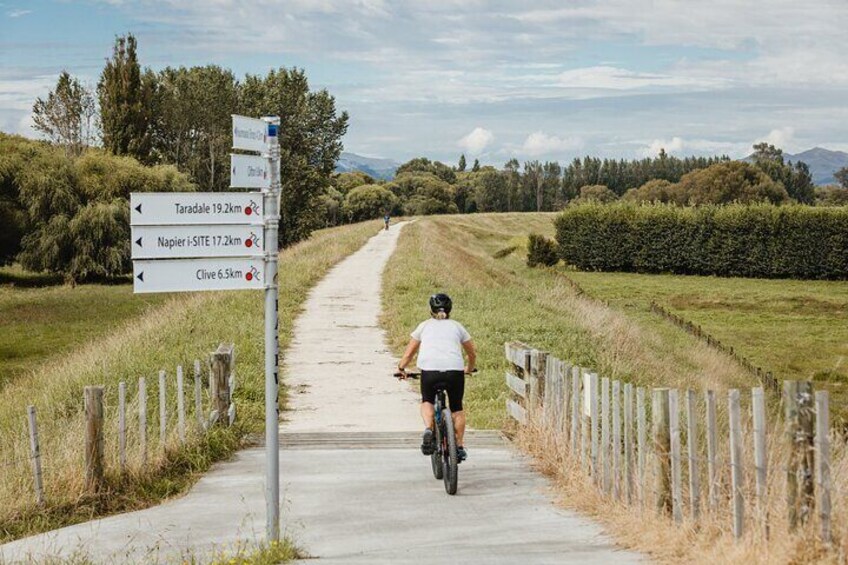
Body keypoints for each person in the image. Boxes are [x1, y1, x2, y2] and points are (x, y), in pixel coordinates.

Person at [397, 293, 476, 462]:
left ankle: (428, 428)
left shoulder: (424, 326)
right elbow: (471, 352)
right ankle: (459, 446)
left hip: (430, 371)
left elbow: (409, 354)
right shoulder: (457, 327)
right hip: (454, 371)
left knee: (427, 401)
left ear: (431, 310)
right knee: (457, 409)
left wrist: (401, 368)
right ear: (450, 309)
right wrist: (468, 368)